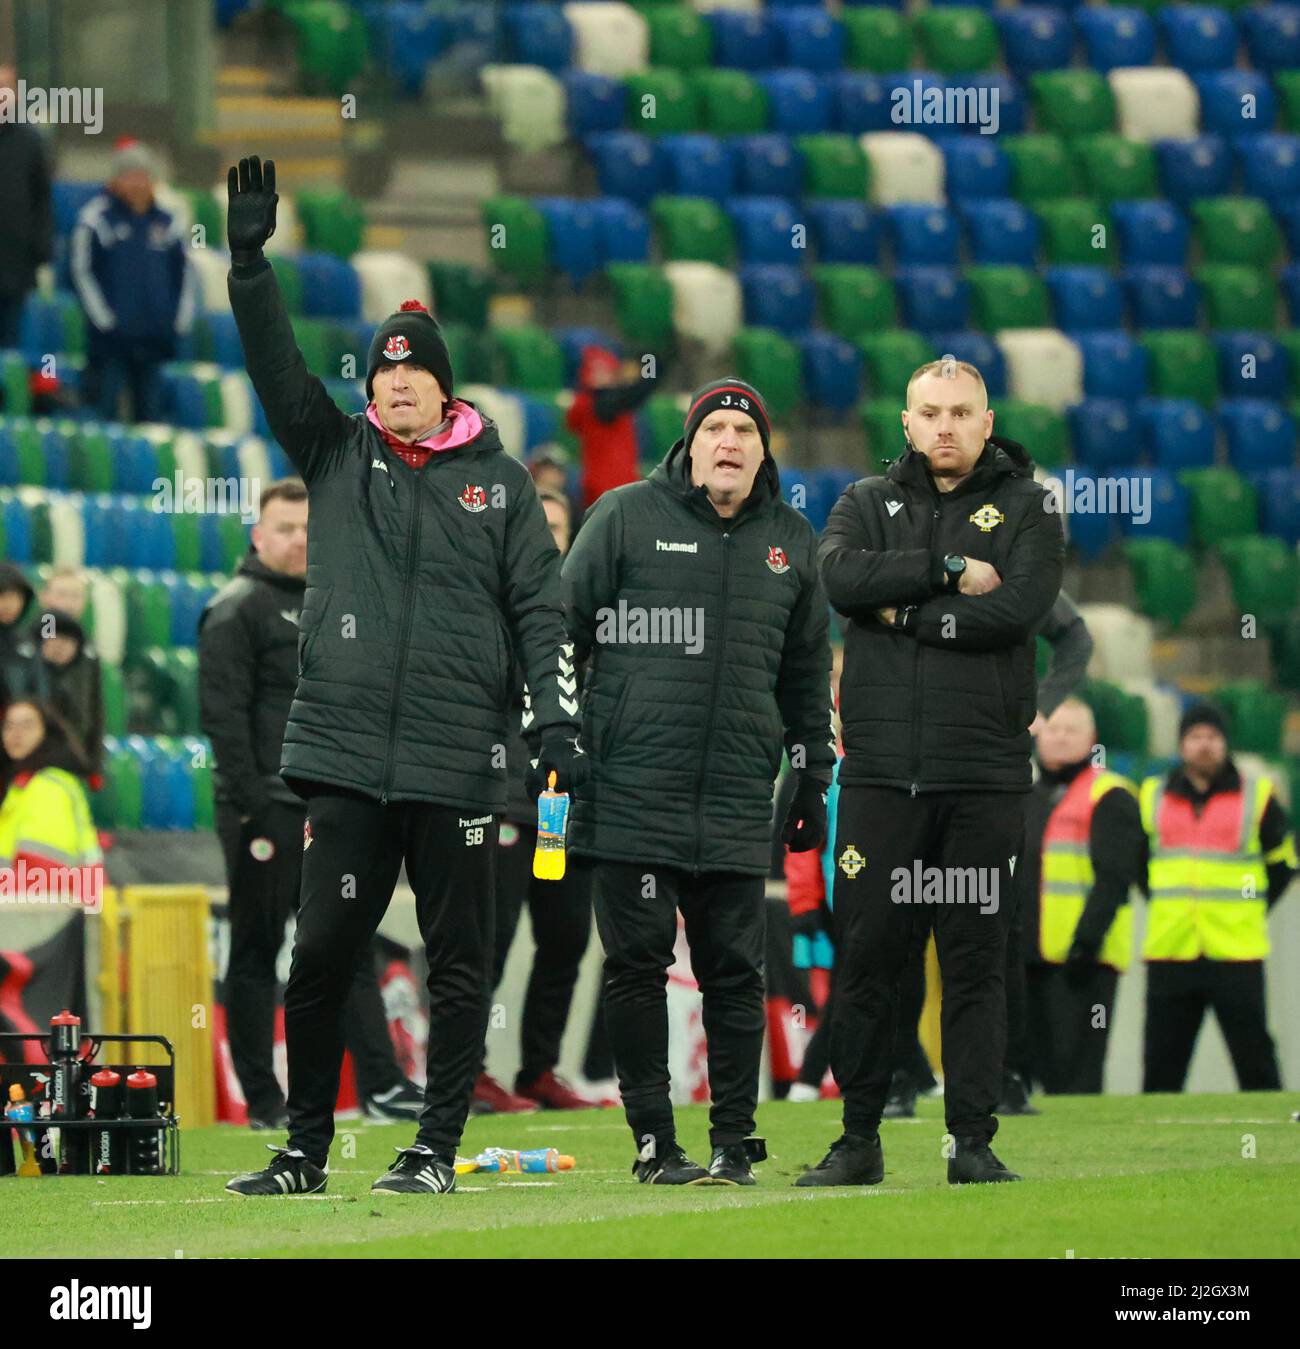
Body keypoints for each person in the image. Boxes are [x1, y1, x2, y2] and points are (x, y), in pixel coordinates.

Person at [219, 156, 582, 1198]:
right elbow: (271, 359)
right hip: (339, 757)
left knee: (457, 961)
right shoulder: (334, 455)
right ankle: (303, 1150)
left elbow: (540, 609)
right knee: (321, 952)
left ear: (443, 381)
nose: (397, 381)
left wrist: (554, 725)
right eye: (382, 368)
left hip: (459, 762)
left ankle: (432, 1146)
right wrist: (249, 262)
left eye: (415, 367)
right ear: (368, 383)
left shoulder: (503, 486)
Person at [563, 376, 836, 1185]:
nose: (728, 442)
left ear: (763, 449)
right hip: (630, 790)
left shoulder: (793, 539)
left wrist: (813, 772)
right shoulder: (622, 515)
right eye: (714, 427)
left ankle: (734, 1141)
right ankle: (655, 1142)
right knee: (638, 967)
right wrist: (560, 736)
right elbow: (557, 629)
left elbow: (805, 671)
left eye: (743, 432)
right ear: (689, 443)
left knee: (734, 974)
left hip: (733, 799)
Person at [799, 358, 1063, 1188]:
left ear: (988, 422)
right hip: (879, 777)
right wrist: (945, 575)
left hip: (983, 777)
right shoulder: (863, 502)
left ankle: (972, 1142)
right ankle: (858, 1138)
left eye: (961, 412)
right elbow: (837, 576)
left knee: (977, 960)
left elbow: (1016, 611)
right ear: (906, 423)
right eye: (929, 412)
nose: (944, 426)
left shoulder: (1030, 507)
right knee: (871, 959)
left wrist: (899, 616)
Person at [199, 478, 424, 1131]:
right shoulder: (235, 609)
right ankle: (264, 1101)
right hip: (264, 809)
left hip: (329, 806)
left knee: (345, 944)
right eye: (286, 528)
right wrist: (252, 806)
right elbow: (224, 721)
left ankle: (380, 1083)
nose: (299, 539)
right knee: (256, 947)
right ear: (257, 535)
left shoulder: (336, 604)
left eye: (307, 529)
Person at [474, 488, 611, 1114]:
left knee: (564, 938)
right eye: (540, 525)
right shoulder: (487, 601)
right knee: (489, 939)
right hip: (502, 799)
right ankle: (467, 1069)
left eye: (559, 527)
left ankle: (539, 1068)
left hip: (557, 808)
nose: (550, 538)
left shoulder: (586, 610)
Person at [1140, 703, 1296, 1093]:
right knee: (1162, 1063)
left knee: (1255, 1057)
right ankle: (1153, 1141)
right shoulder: (1152, 795)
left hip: (1236, 949)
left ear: (1225, 744)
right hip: (1172, 947)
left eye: (1212, 737)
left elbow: (1283, 866)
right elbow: (1137, 864)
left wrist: (1248, 906)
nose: (1204, 745)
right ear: (1181, 745)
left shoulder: (1257, 797)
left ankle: (1270, 1135)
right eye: (1195, 737)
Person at [1017, 698, 1144, 1094]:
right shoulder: (1026, 796)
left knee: (1077, 1074)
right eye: (1051, 729)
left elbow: (1114, 878)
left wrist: (1085, 944)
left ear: (1092, 740)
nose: (1058, 737)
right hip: (1029, 958)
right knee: (1032, 1072)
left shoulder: (1111, 795)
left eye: (1070, 730)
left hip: (1083, 962)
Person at [70, 138, 197, 424]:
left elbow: (185, 273)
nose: (137, 183)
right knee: (105, 416)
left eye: (143, 176)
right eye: (129, 176)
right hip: (110, 342)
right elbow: (81, 272)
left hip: (154, 338)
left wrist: (178, 322)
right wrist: (105, 321)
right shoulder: (95, 219)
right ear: (115, 180)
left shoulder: (168, 222)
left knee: (150, 420)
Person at [0, 700, 102, 907]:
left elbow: (42, 870)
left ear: (47, 733)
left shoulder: (47, 787)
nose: (16, 734)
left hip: (47, 921)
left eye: (27, 725)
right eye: (9, 726)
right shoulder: (23, 785)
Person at [565, 345, 658, 511]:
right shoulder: (606, 405)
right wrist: (648, 360)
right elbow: (644, 387)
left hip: (597, 488)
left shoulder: (585, 403)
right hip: (614, 491)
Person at [0, 64, 53, 350]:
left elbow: (42, 200)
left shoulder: (30, 143)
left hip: (15, 270)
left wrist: (39, 250)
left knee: (12, 352)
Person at [34, 608, 104, 781]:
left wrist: (94, 766)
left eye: (67, 641)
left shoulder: (85, 674)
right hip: (32, 766)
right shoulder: (28, 676)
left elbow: (95, 722)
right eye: (53, 639)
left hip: (72, 767)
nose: (59, 646)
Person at [0, 563, 47, 708]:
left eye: (16, 597)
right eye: (2, 596)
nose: (9, 605)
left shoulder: (27, 644)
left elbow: (40, 696)